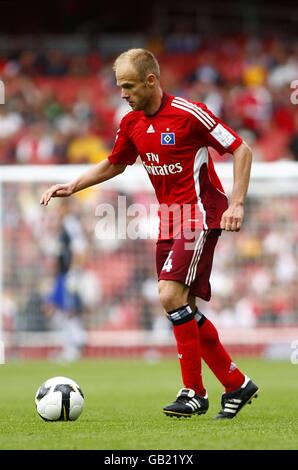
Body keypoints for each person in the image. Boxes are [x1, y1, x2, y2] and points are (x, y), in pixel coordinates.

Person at [40, 48, 258, 419]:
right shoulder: (131, 124)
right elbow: (115, 163)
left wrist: (237, 203)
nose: (122, 93)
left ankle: (194, 392)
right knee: (182, 307)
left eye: (128, 86)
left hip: (201, 215)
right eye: (119, 86)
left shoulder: (190, 114)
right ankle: (236, 383)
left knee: (170, 294)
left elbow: (242, 150)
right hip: (170, 220)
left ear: (151, 81)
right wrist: (72, 185)